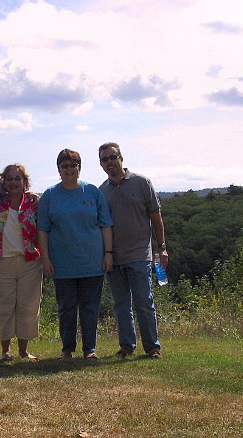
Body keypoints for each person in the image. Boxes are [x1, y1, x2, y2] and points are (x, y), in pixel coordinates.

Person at [38, 149, 113, 360]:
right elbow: (42, 230)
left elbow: (106, 225)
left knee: (90, 308)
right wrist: (45, 259)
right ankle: (67, 350)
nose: (69, 169)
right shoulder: (50, 195)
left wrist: (108, 253)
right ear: (58, 169)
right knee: (66, 309)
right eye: (64, 166)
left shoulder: (92, 192)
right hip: (62, 263)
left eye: (73, 165)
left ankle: (90, 350)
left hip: (92, 260)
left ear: (79, 167)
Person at [98, 142, 167, 359]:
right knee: (121, 306)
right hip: (114, 257)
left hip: (140, 255)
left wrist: (162, 247)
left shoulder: (142, 183)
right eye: (104, 159)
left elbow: (156, 216)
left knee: (144, 302)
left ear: (121, 158)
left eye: (112, 157)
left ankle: (152, 347)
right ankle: (127, 346)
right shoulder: (102, 191)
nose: (109, 162)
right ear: (101, 164)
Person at [0, 164, 42, 361]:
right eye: (10, 178)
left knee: (28, 307)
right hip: (3, 261)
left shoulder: (34, 203)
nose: (13, 182)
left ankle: (23, 351)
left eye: (17, 178)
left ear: (24, 182)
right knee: (5, 306)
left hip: (30, 261)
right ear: (4, 182)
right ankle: (5, 351)